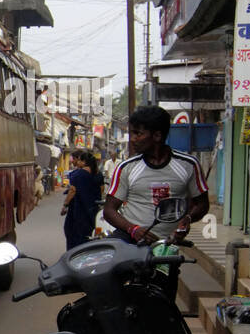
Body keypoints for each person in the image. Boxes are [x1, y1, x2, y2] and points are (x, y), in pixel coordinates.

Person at [103, 105, 209, 248]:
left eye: (138, 134)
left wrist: (188, 218)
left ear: (157, 136)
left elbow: (202, 204)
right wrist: (133, 229)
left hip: (167, 245)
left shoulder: (188, 165)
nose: (133, 139)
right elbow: (109, 210)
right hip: (130, 241)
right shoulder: (126, 167)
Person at [60, 150, 101, 249]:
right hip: (93, 210)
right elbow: (101, 189)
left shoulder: (77, 174)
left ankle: (73, 257)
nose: (75, 162)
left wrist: (65, 205)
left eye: (76, 160)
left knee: (73, 235)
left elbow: (72, 191)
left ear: (82, 161)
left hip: (79, 211)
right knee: (88, 236)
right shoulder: (97, 174)